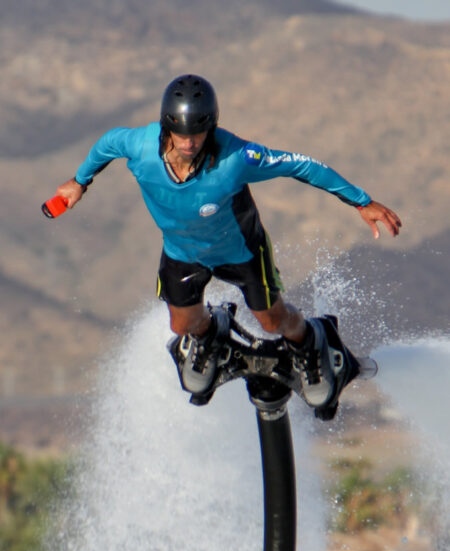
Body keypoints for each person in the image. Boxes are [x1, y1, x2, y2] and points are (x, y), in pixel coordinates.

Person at [54, 74, 401, 410]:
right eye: (182, 133)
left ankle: (312, 343)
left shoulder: (237, 157)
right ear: (167, 125)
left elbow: (303, 166)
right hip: (183, 252)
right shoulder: (138, 146)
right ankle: (211, 336)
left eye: (200, 132)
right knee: (182, 326)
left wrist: (361, 201)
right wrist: (79, 181)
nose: (190, 142)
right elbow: (106, 144)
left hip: (242, 252)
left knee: (273, 322)